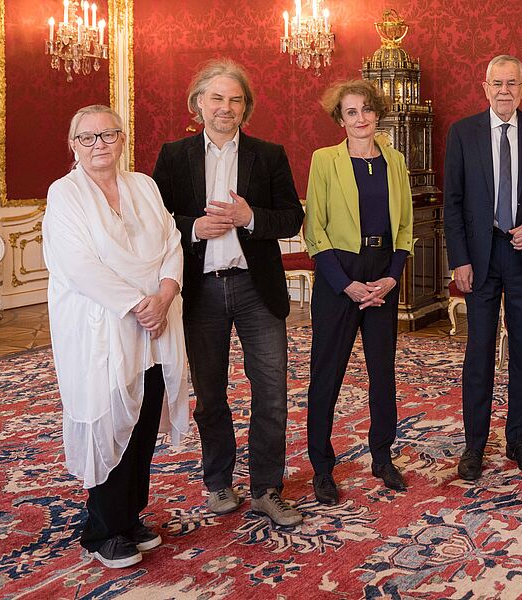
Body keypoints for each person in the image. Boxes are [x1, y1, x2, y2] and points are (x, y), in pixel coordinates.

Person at [152, 58, 305, 526]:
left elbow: (290, 219)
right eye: (217, 98)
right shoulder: (173, 156)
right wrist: (193, 226)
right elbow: (156, 224)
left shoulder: (269, 154)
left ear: (246, 107)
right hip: (201, 293)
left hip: (257, 290)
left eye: (236, 99)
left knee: (272, 394)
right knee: (211, 395)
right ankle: (218, 482)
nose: (226, 107)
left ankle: (266, 488)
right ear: (198, 103)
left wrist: (249, 218)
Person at [44, 105, 190, 568]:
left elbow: (171, 243)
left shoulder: (143, 186)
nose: (98, 144)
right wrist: (138, 304)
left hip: (155, 323)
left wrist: (165, 293)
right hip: (101, 326)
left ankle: (130, 517)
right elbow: (79, 265)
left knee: (145, 417)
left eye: (107, 135)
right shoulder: (64, 194)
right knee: (107, 417)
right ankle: (102, 528)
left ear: (122, 139)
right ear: (73, 146)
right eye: (86, 138)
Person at [444, 55, 522, 481]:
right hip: (479, 260)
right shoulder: (463, 133)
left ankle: (517, 440)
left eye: (512, 83)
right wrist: (458, 259)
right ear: (484, 86)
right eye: (496, 83)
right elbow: (453, 203)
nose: (504, 91)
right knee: (478, 353)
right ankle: (474, 445)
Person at [303, 80, 414, 504]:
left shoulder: (395, 160)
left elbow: (404, 227)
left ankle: (383, 457)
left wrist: (391, 276)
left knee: (383, 373)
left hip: (383, 273)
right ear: (341, 119)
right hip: (340, 276)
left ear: (377, 112)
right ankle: (322, 467)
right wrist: (346, 285)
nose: (361, 118)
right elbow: (316, 231)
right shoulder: (325, 160)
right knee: (326, 374)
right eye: (351, 112)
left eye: (367, 110)